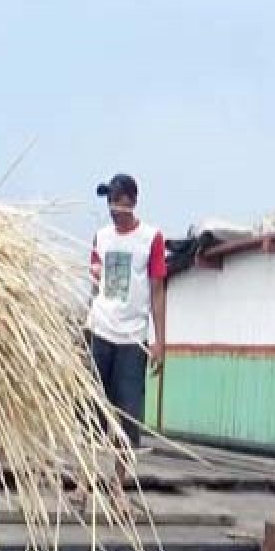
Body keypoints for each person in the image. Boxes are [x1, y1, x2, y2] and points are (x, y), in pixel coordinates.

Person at [88, 173, 167, 479]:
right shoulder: (102, 237)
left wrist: (159, 341)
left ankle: (117, 486)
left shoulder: (151, 238)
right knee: (92, 411)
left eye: (118, 204)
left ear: (131, 202)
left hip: (133, 339)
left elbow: (158, 291)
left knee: (126, 414)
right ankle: (87, 479)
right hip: (101, 331)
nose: (113, 211)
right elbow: (94, 285)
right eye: (110, 204)